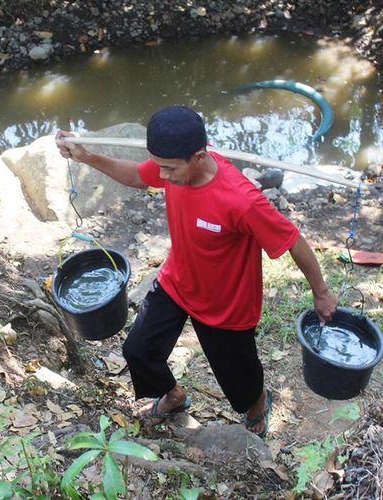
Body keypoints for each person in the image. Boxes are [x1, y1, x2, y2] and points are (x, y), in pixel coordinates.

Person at [55, 106, 338, 437]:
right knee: (138, 351)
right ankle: (174, 395)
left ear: (200, 157)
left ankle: (258, 401)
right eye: (159, 166)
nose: (162, 177)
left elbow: (292, 240)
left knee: (239, 385)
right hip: (178, 282)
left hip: (226, 306)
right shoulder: (174, 165)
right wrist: (86, 156)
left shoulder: (241, 200)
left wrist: (321, 292)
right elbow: (136, 176)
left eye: (169, 169)